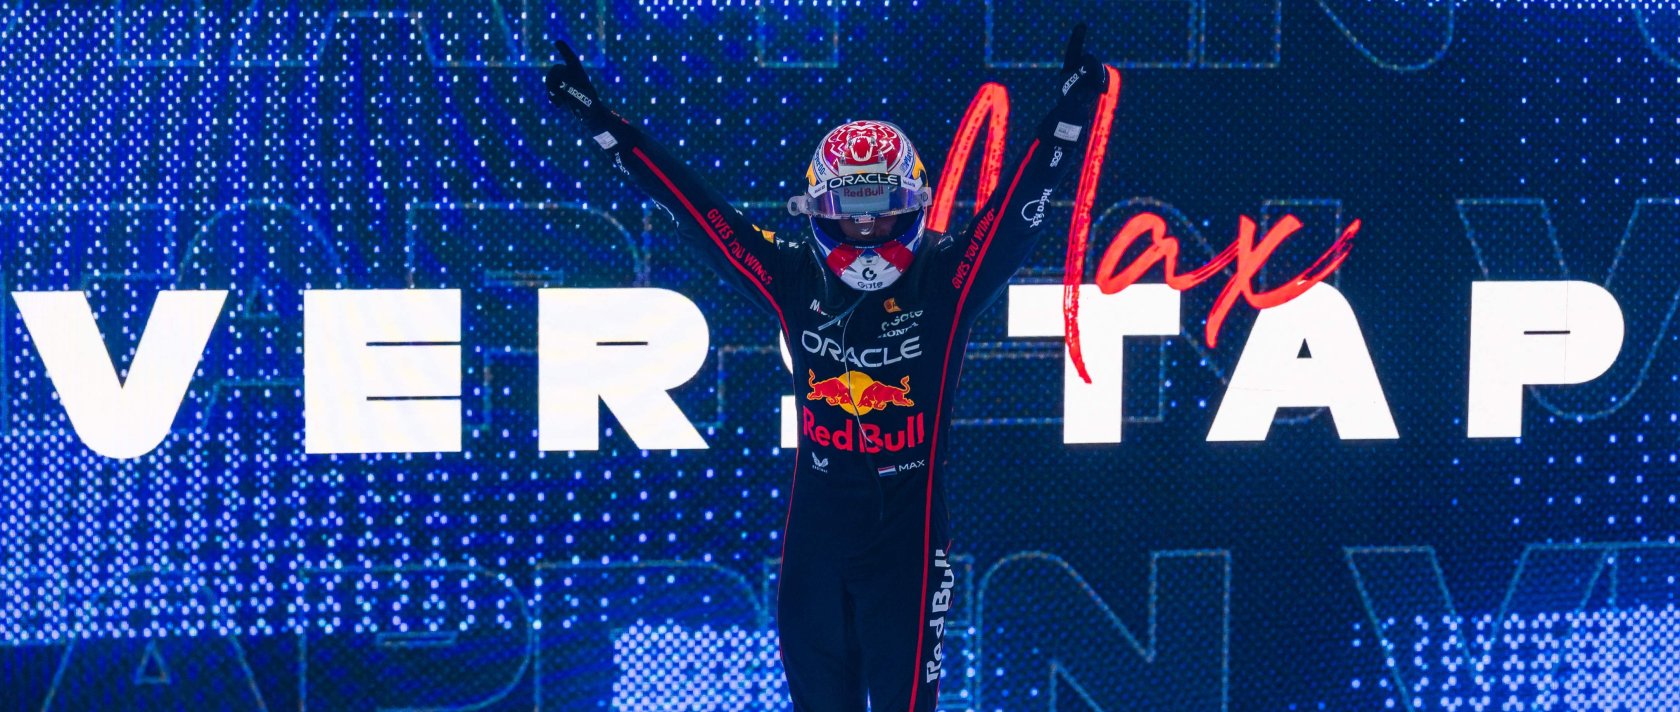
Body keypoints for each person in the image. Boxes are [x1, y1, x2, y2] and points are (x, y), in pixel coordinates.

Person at [545, 28, 1109, 711]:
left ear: (915, 204)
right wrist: (605, 125)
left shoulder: (948, 275)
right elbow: (699, 213)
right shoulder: (790, 272)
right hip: (815, 538)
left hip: (909, 541)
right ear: (817, 211)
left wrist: (1071, 115)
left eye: (883, 214)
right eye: (849, 217)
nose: (867, 233)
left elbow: (1016, 217)